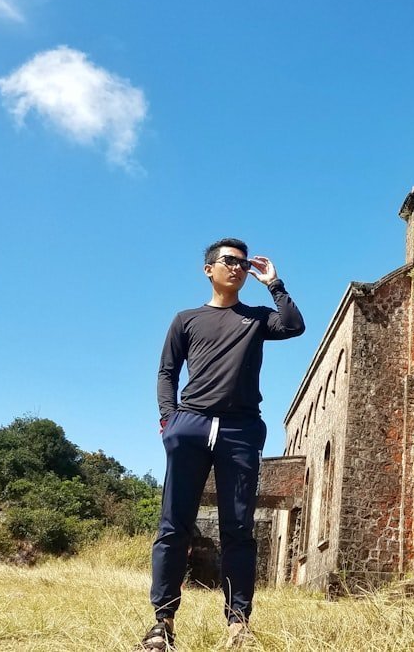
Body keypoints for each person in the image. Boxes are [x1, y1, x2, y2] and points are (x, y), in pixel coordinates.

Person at [141, 238, 305, 650]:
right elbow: (167, 372)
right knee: (173, 525)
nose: (237, 267)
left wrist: (275, 283)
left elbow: (294, 325)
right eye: (229, 261)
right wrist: (169, 421)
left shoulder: (256, 318)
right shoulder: (186, 319)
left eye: (243, 263)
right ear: (208, 269)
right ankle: (163, 623)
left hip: (241, 430)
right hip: (190, 425)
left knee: (239, 529)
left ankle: (238, 626)